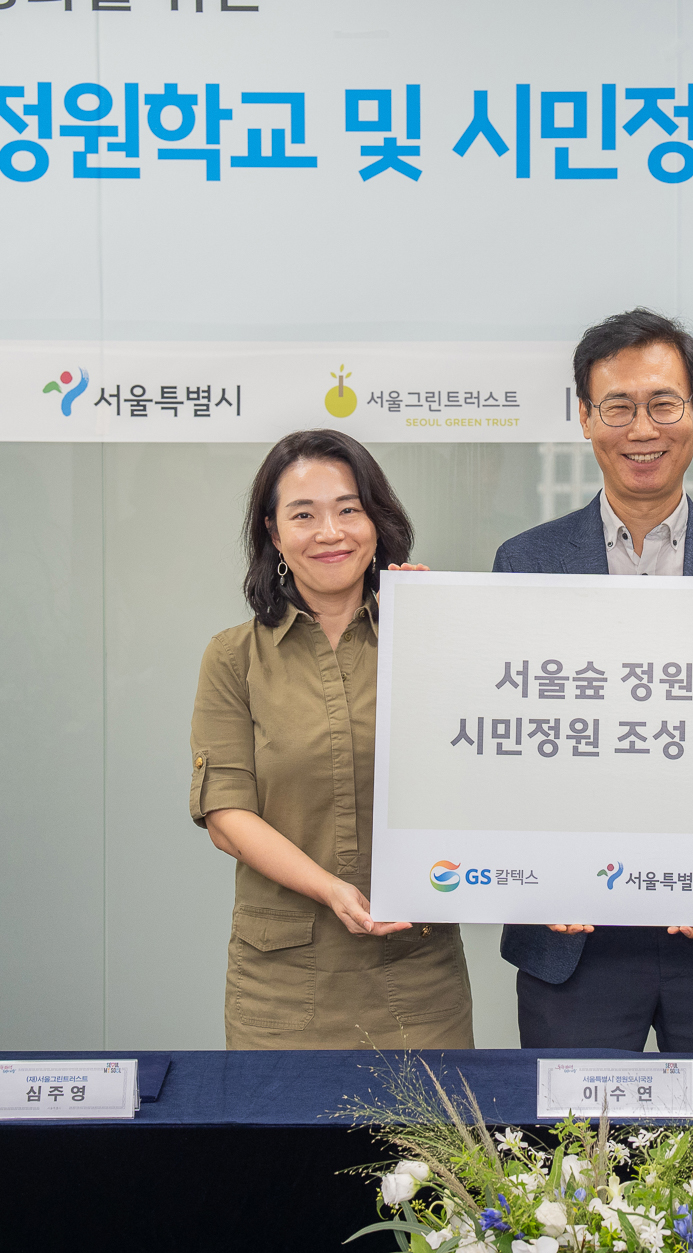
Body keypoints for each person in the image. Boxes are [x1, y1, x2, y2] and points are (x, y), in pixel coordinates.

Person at [492, 307, 693, 1052]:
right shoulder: (523, 564)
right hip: (575, 937)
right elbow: (504, 748)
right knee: (572, 1132)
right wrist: (537, 876)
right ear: (584, 417)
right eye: (618, 407)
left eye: (664, 404)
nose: (643, 429)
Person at [188, 429, 474, 1049]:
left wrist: (441, 628)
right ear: (273, 533)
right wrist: (331, 890)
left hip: (417, 977)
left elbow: (488, 775)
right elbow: (227, 818)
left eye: (349, 509)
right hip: (280, 983)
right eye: (304, 515)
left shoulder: (431, 637)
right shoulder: (233, 657)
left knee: (428, 1121)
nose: (330, 532)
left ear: (377, 522)